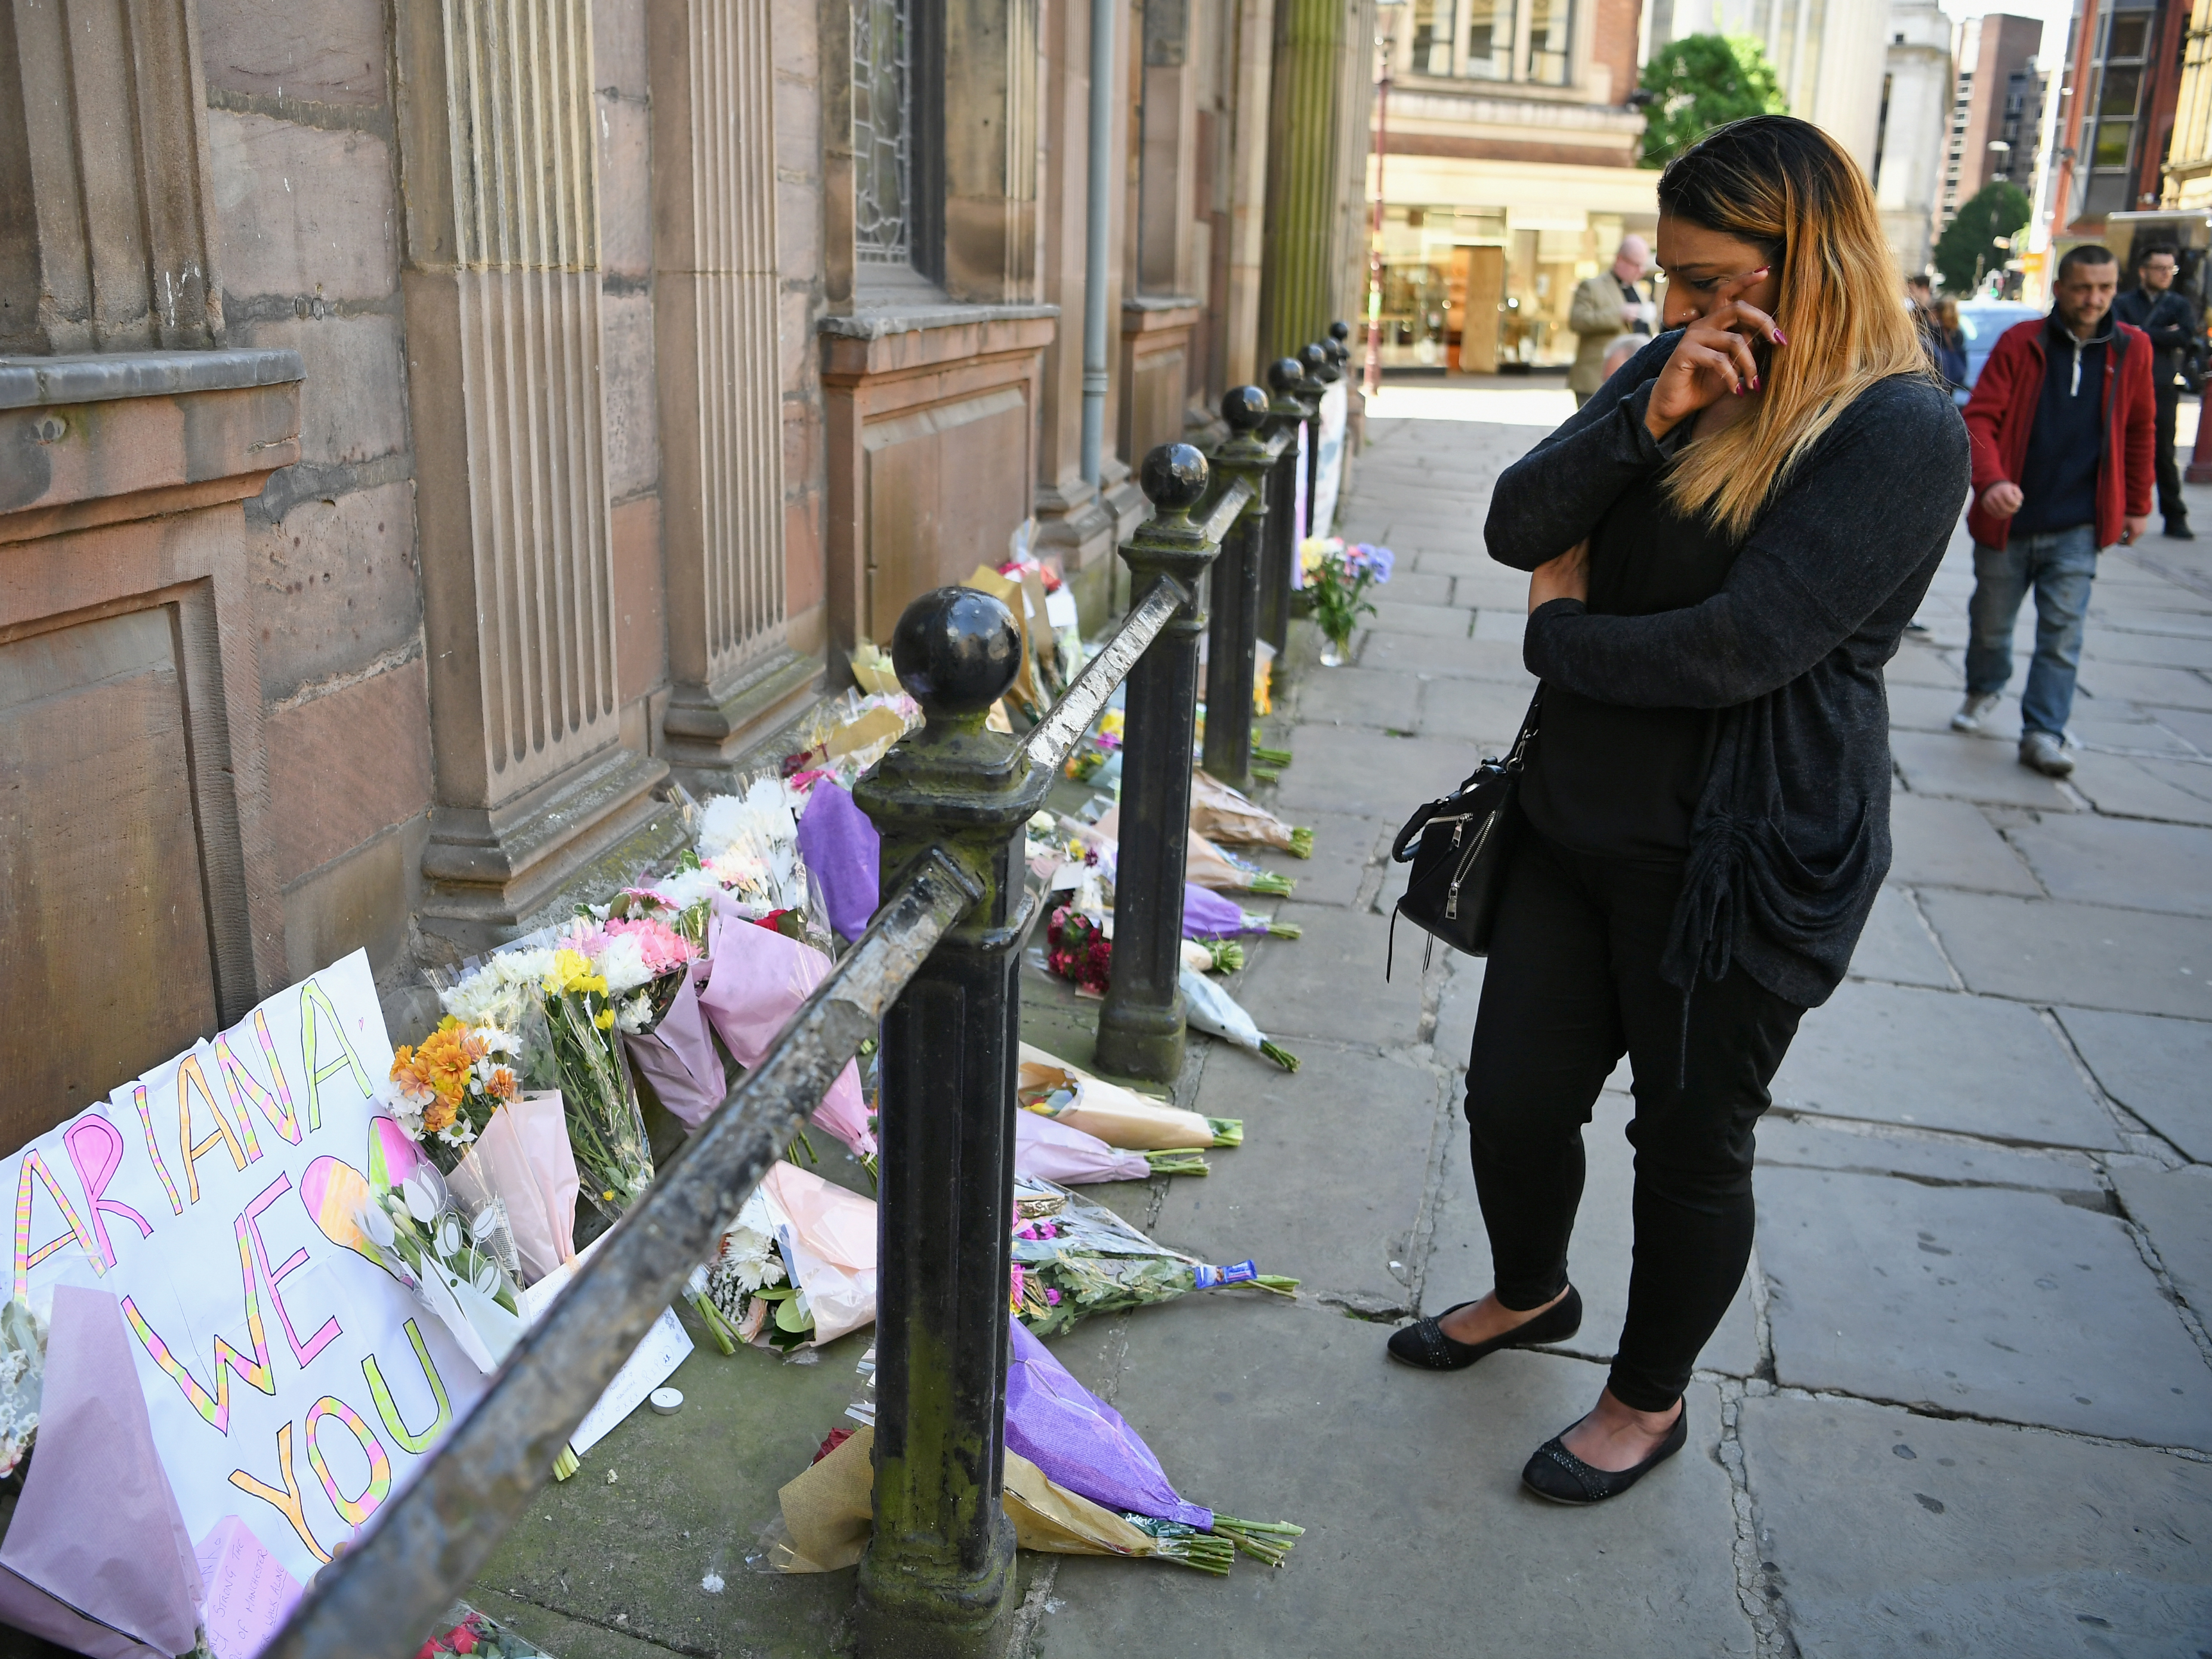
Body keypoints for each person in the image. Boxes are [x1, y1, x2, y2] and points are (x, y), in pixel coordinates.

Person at [1386, 116, 1968, 1506]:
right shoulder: (1674, 366)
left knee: (1688, 1143)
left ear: (1807, 256)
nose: (1692, 307)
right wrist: (1645, 413)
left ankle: (1643, 1402)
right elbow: (1518, 526)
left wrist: (1556, 640)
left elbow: (1734, 647)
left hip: (1737, 853)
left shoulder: (1899, 428)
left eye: (1718, 279)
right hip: (1573, 824)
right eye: (1678, 280)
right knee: (1512, 1100)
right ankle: (1530, 1291)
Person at [1955, 245, 2155, 776]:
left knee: (2063, 633)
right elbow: (1980, 420)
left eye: (2106, 288)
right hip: (2011, 519)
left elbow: (2140, 430)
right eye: (2084, 287)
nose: (2095, 299)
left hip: (2080, 521)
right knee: (1991, 625)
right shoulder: (2020, 343)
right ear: (2061, 288)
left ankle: (2043, 732)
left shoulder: (2133, 349)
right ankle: (1984, 687)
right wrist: (1992, 481)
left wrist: (2138, 504)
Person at [2112, 243, 2198, 539]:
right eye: (2159, 269)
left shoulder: (2179, 304)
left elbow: (2186, 336)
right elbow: (2117, 333)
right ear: (2143, 271)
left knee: (2163, 452)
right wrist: (2164, 334)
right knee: (2117, 447)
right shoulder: (2124, 302)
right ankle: (2116, 509)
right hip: (2124, 385)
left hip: (2162, 387)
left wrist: (2142, 333)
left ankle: (2175, 515)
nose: (2165, 275)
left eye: (2170, 269)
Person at [1568, 236, 1657, 406]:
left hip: (1630, 379)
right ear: (1619, 260)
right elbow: (1577, 321)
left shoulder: (1640, 290)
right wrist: (1618, 315)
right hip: (1596, 377)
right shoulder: (1591, 286)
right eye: (1636, 265)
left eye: (1643, 265)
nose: (1641, 271)